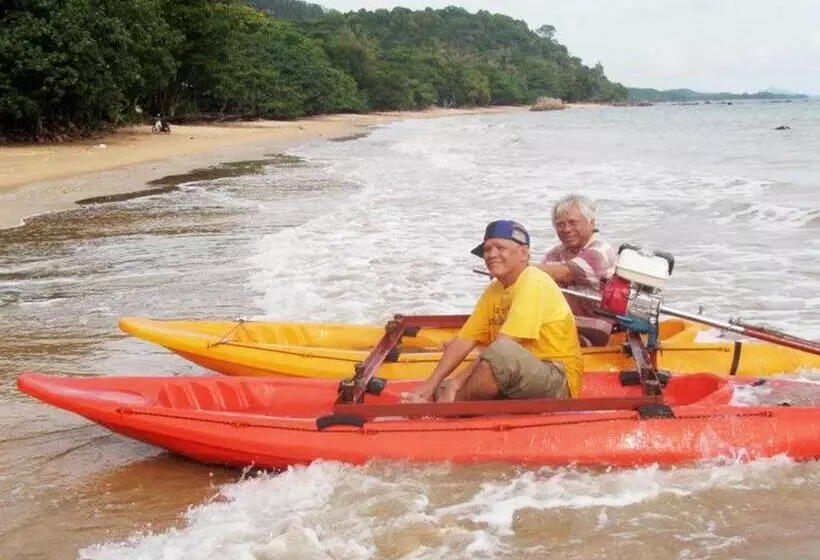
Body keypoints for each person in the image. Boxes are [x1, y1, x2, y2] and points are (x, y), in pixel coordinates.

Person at [404, 220, 583, 403]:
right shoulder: (494, 290)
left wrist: (457, 383)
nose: (491, 255)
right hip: (516, 372)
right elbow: (463, 340)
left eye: (500, 248)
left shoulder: (534, 281)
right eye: (487, 249)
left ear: (524, 253)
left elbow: (502, 349)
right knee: (446, 382)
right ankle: (441, 400)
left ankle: (448, 408)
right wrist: (430, 384)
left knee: (498, 354)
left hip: (558, 379)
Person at [538, 194, 617, 346]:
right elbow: (537, 282)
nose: (566, 229)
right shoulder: (553, 254)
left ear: (591, 222)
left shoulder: (599, 252)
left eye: (573, 223)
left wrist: (513, 268)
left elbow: (565, 273)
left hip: (597, 331)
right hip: (562, 324)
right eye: (560, 224)